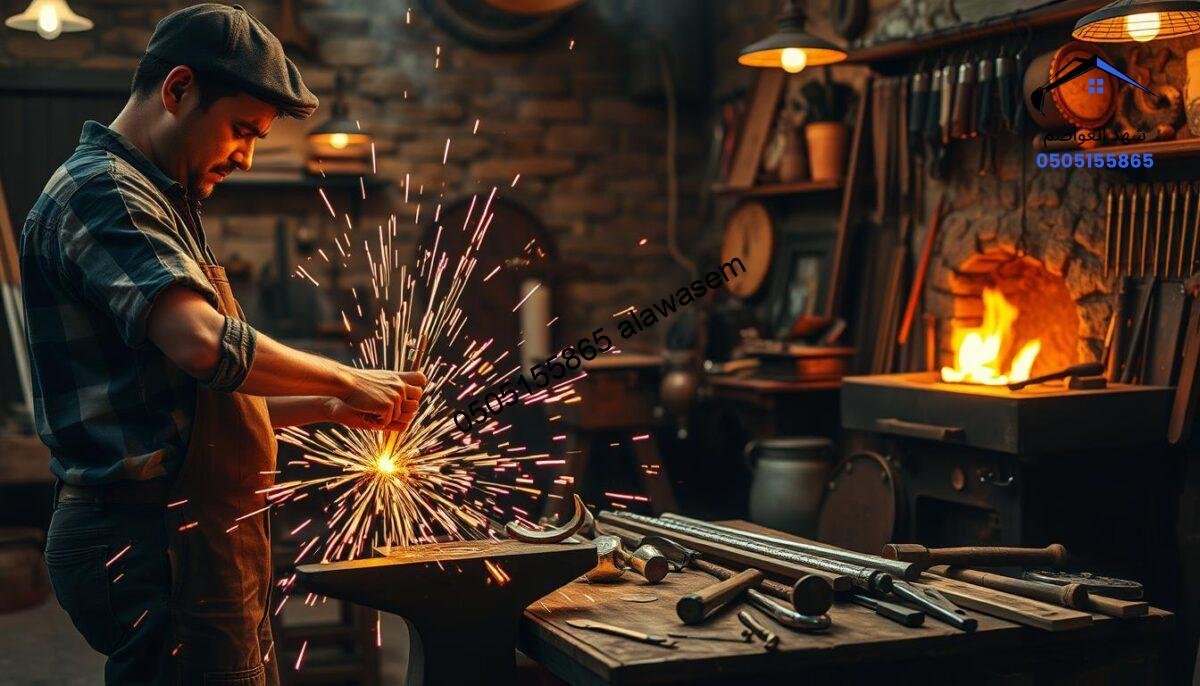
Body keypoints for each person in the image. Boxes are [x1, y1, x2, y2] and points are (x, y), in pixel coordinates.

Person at [19, 4, 424, 684]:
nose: (246, 156)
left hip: (193, 529)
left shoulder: (162, 197)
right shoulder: (104, 191)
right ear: (178, 90)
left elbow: (194, 403)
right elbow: (204, 345)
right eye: (241, 130)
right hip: (150, 537)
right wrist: (346, 378)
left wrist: (327, 406)